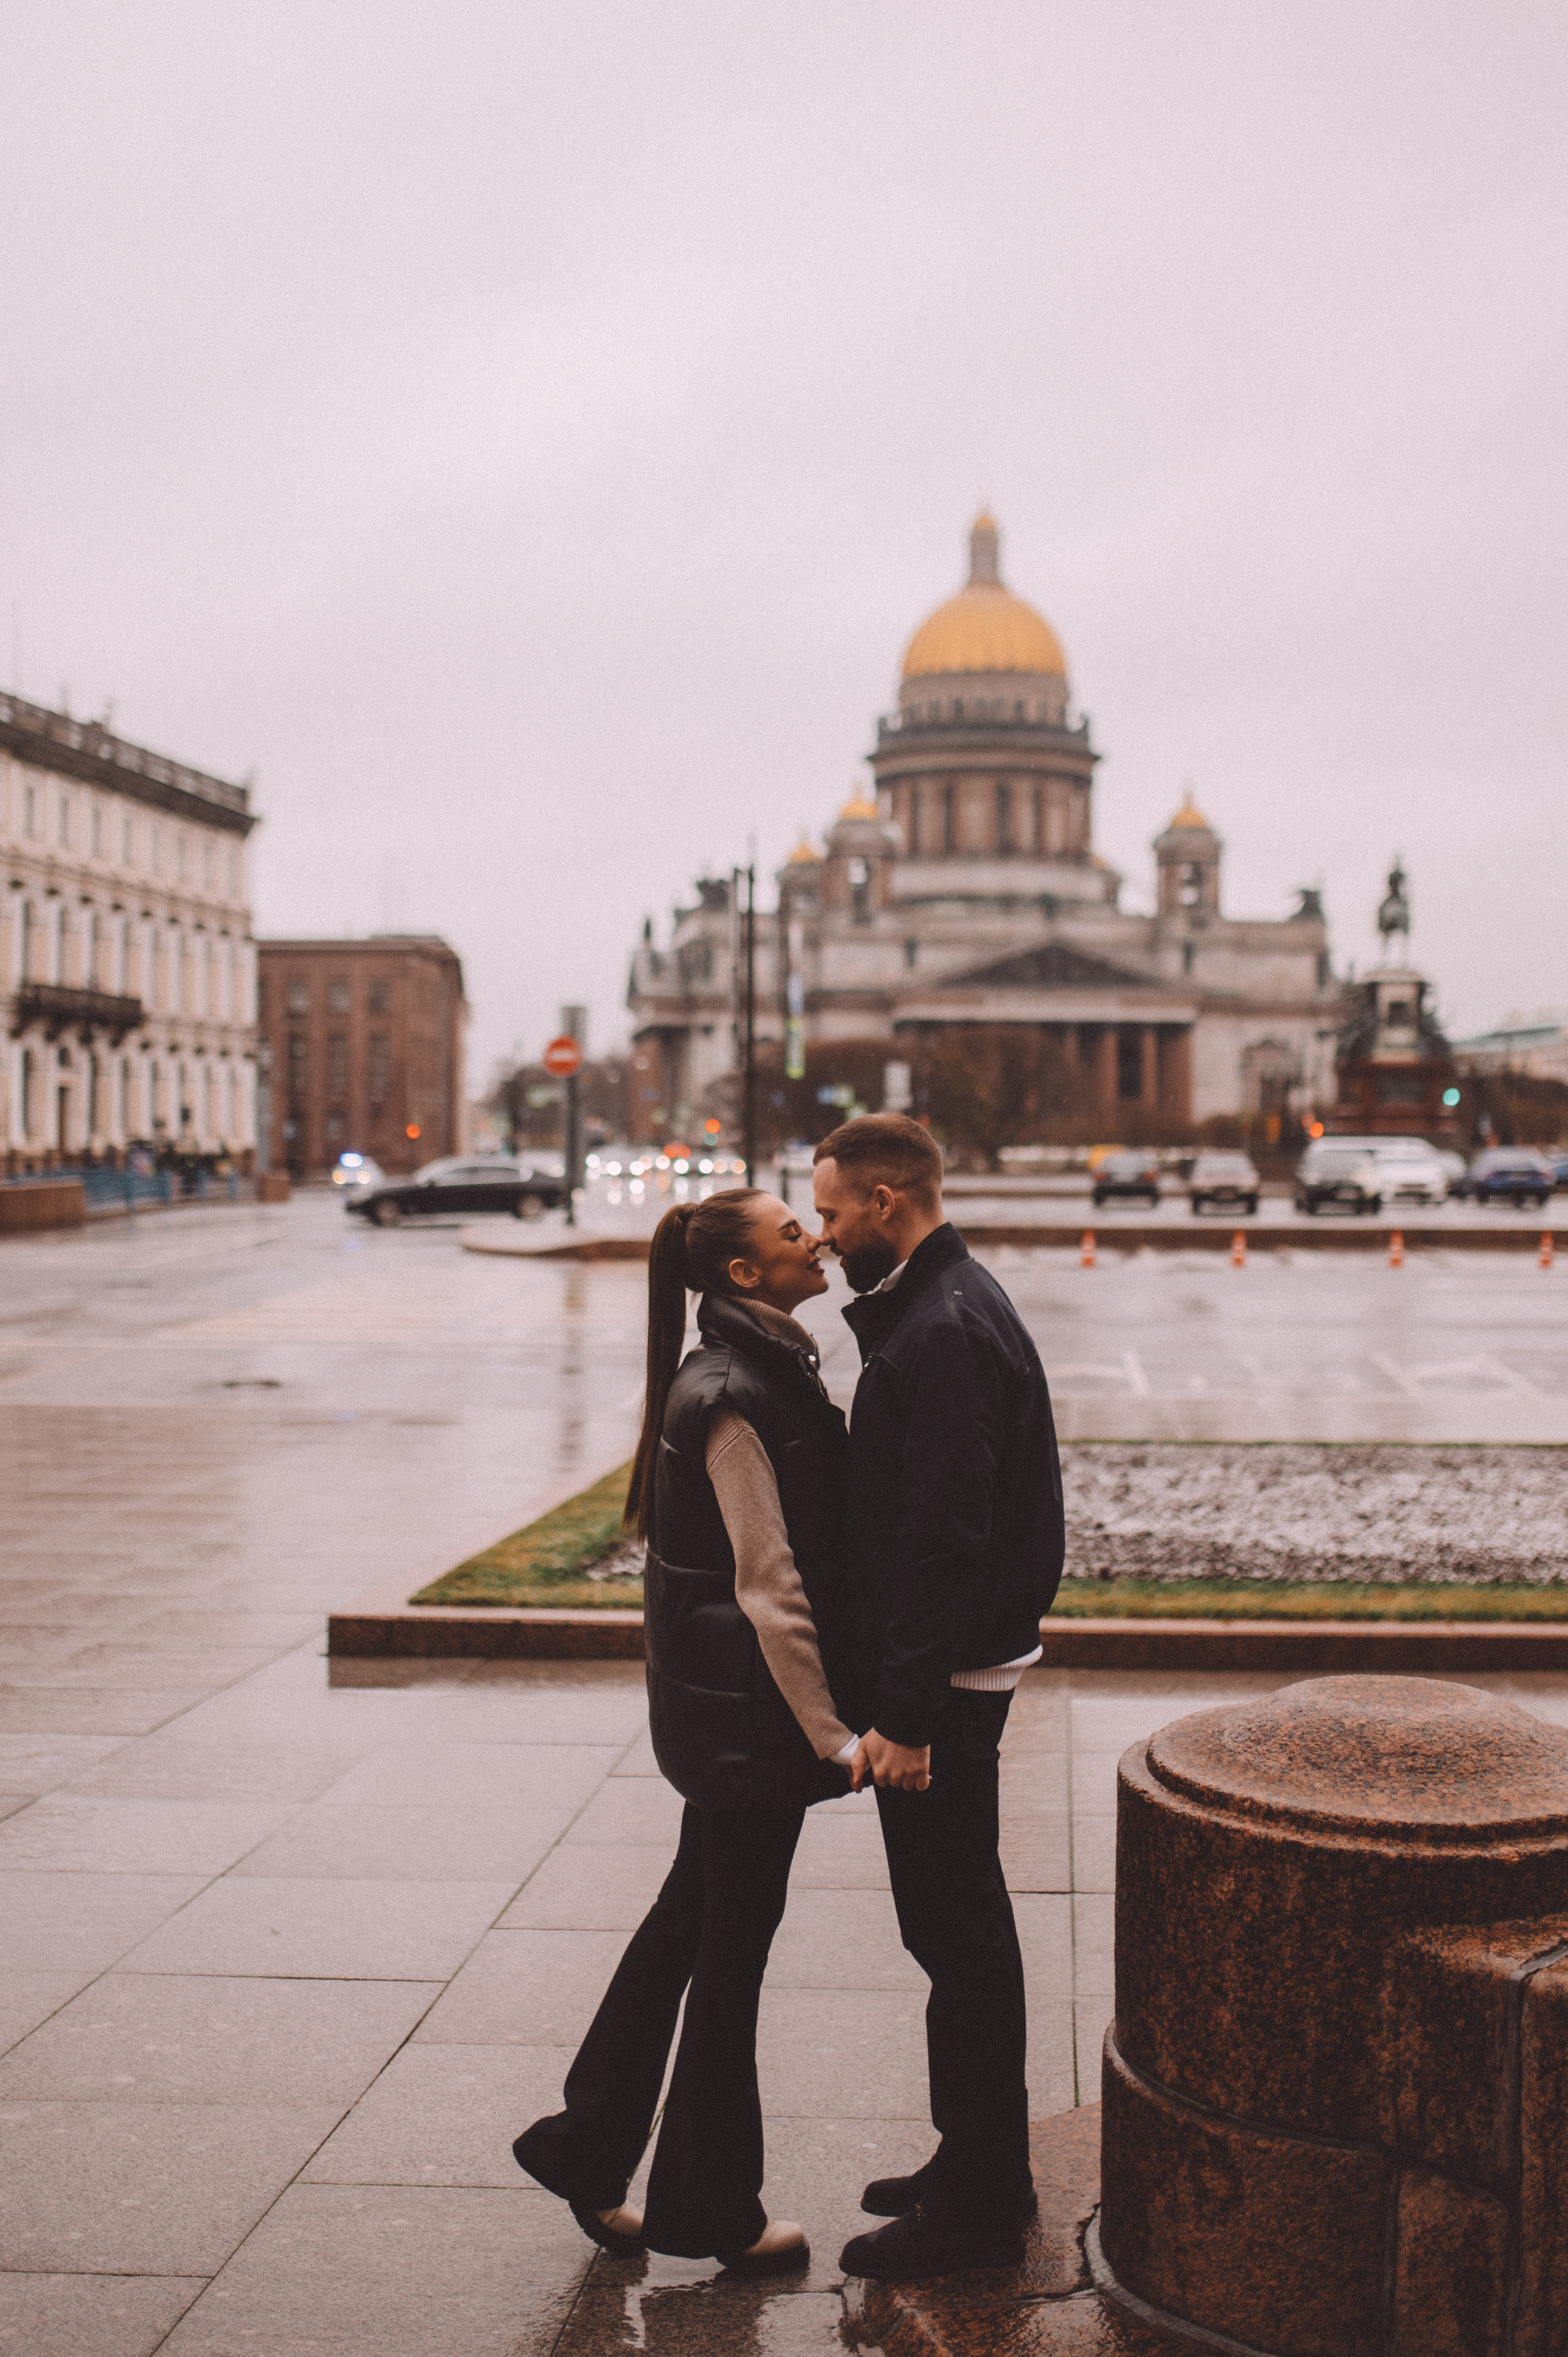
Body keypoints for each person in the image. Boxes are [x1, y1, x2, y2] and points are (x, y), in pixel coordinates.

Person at [513, 1188, 868, 2274]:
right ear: (745, 1277)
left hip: (725, 1722)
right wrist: (833, 1736)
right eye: (791, 1230)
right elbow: (769, 1586)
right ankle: (714, 2208)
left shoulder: (761, 1366)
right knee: (727, 1958)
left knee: (688, 1925)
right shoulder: (730, 1394)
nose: (815, 1236)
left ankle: (585, 2146)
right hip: (751, 1730)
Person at [812, 1114, 1065, 2280]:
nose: (822, 1236)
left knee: (957, 1934)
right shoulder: (940, 1304)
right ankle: (978, 2163)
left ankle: (977, 2203)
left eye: (830, 1212)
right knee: (954, 1929)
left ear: (886, 1203)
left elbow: (943, 1535)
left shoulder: (945, 1326)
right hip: (952, 1671)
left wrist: (905, 1714)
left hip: (946, 1687)